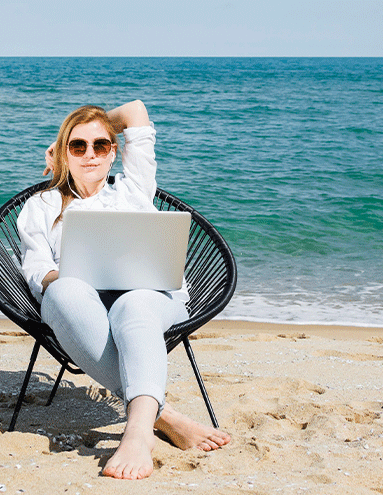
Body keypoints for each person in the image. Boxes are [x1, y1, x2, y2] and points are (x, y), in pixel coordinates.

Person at [16, 100, 230, 480]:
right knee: (63, 291)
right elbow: (38, 271)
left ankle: (136, 432)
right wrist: (73, 278)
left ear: (115, 151)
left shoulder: (134, 189)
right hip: (82, 308)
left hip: (151, 299)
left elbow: (134, 111)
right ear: (66, 154)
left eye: (101, 144)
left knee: (133, 305)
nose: (90, 154)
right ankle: (159, 418)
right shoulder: (41, 205)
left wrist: (68, 134)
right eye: (77, 146)